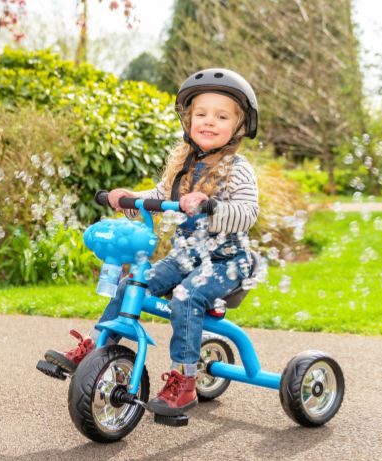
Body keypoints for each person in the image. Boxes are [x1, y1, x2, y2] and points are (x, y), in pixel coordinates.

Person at [41, 68, 261, 416]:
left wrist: (209, 206)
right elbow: (160, 196)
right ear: (187, 119)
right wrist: (129, 198)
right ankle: (98, 348)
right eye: (200, 114)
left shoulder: (238, 168)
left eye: (221, 116)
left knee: (187, 297)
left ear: (239, 126)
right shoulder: (182, 164)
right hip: (186, 257)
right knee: (132, 283)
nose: (208, 121)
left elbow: (248, 213)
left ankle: (185, 380)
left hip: (225, 261)